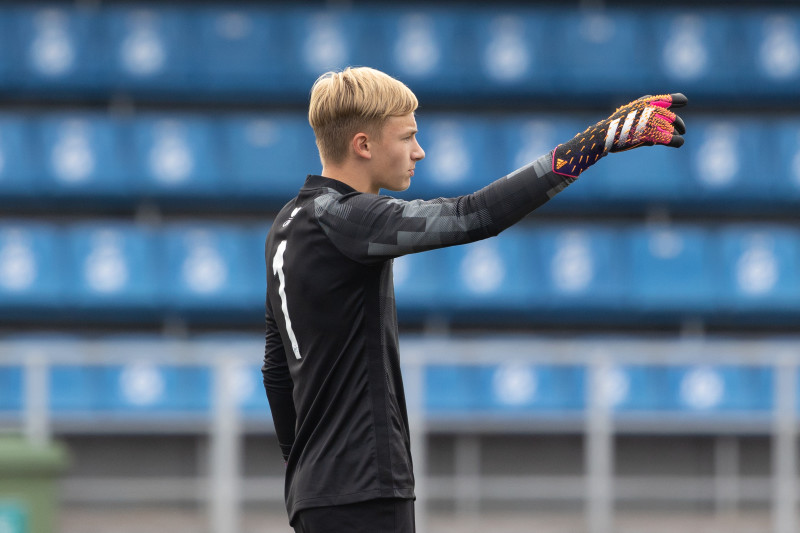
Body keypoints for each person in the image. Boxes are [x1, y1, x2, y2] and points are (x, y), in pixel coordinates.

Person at [262, 66, 686, 533]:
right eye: (407, 137)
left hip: (317, 493)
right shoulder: (348, 219)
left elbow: (277, 370)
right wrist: (600, 140)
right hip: (364, 491)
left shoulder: (287, 224)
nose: (418, 152)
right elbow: (475, 215)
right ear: (363, 145)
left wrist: (306, 473)